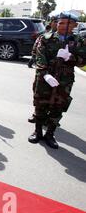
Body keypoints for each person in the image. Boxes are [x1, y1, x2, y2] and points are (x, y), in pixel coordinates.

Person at [28, 12, 86, 149]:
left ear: (75, 25)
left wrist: (70, 57)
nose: (63, 26)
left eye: (68, 23)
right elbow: (39, 57)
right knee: (40, 104)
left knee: (58, 106)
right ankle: (37, 131)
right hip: (45, 78)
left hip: (64, 80)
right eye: (61, 23)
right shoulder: (45, 38)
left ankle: (50, 134)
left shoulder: (79, 41)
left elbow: (83, 61)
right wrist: (45, 74)